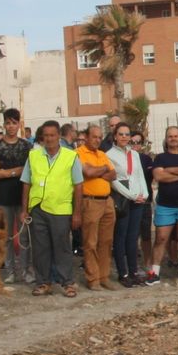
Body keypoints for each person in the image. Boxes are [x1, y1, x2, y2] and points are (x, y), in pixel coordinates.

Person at [22, 120, 82, 297]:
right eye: (46, 135)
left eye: (52, 135)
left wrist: (77, 213)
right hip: (38, 208)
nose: (49, 139)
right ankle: (43, 282)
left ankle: (67, 282)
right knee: (40, 248)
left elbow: (78, 186)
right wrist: (24, 209)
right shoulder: (33, 156)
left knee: (62, 247)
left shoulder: (70, 156)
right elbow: (26, 183)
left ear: (59, 136)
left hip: (60, 209)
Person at [148, 126, 178, 284]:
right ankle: (154, 272)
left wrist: (169, 171)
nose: (173, 139)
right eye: (170, 136)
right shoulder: (160, 158)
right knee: (161, 238)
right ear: (166, 139)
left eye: (176, 136)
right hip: (165, 205)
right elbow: (158, 177)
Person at [0, 110, 34, 283]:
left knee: (24, 235)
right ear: (4, 124)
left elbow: (28, 169)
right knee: (5, 235)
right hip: (4, 196)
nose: (11, 126)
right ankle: (9, 271)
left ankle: (26, 271)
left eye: (14, 123)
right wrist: (16, 171)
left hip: (23, 194)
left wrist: (7, 172)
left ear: (19, 124)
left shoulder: (26, 146)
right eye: (8, 123)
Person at [75, 124, 118, 291]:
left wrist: (98, 171)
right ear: (86, 137)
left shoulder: (102, 154)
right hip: (90, 202)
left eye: (100, 137)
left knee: (106, 241)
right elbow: (88, 173)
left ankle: (104, 276)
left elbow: (113, 175)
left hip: (107, 201)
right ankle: (93, 278)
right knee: (90, 242)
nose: (97, 140)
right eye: (94, 137)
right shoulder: (78, 153)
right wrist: (103, 170)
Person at [108, 122, 151, 287]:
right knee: (121, 236)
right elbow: (114, 180)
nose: (124, 137)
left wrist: (144, 194)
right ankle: (123, 273)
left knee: (133, 237)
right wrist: (131, 195)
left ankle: (133, 271)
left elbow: (140, 175)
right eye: (121, 134)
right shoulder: (109, 155)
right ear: (115, 136)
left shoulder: (134, 154)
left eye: (127, 134)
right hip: (123, 200)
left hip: (138, 200)